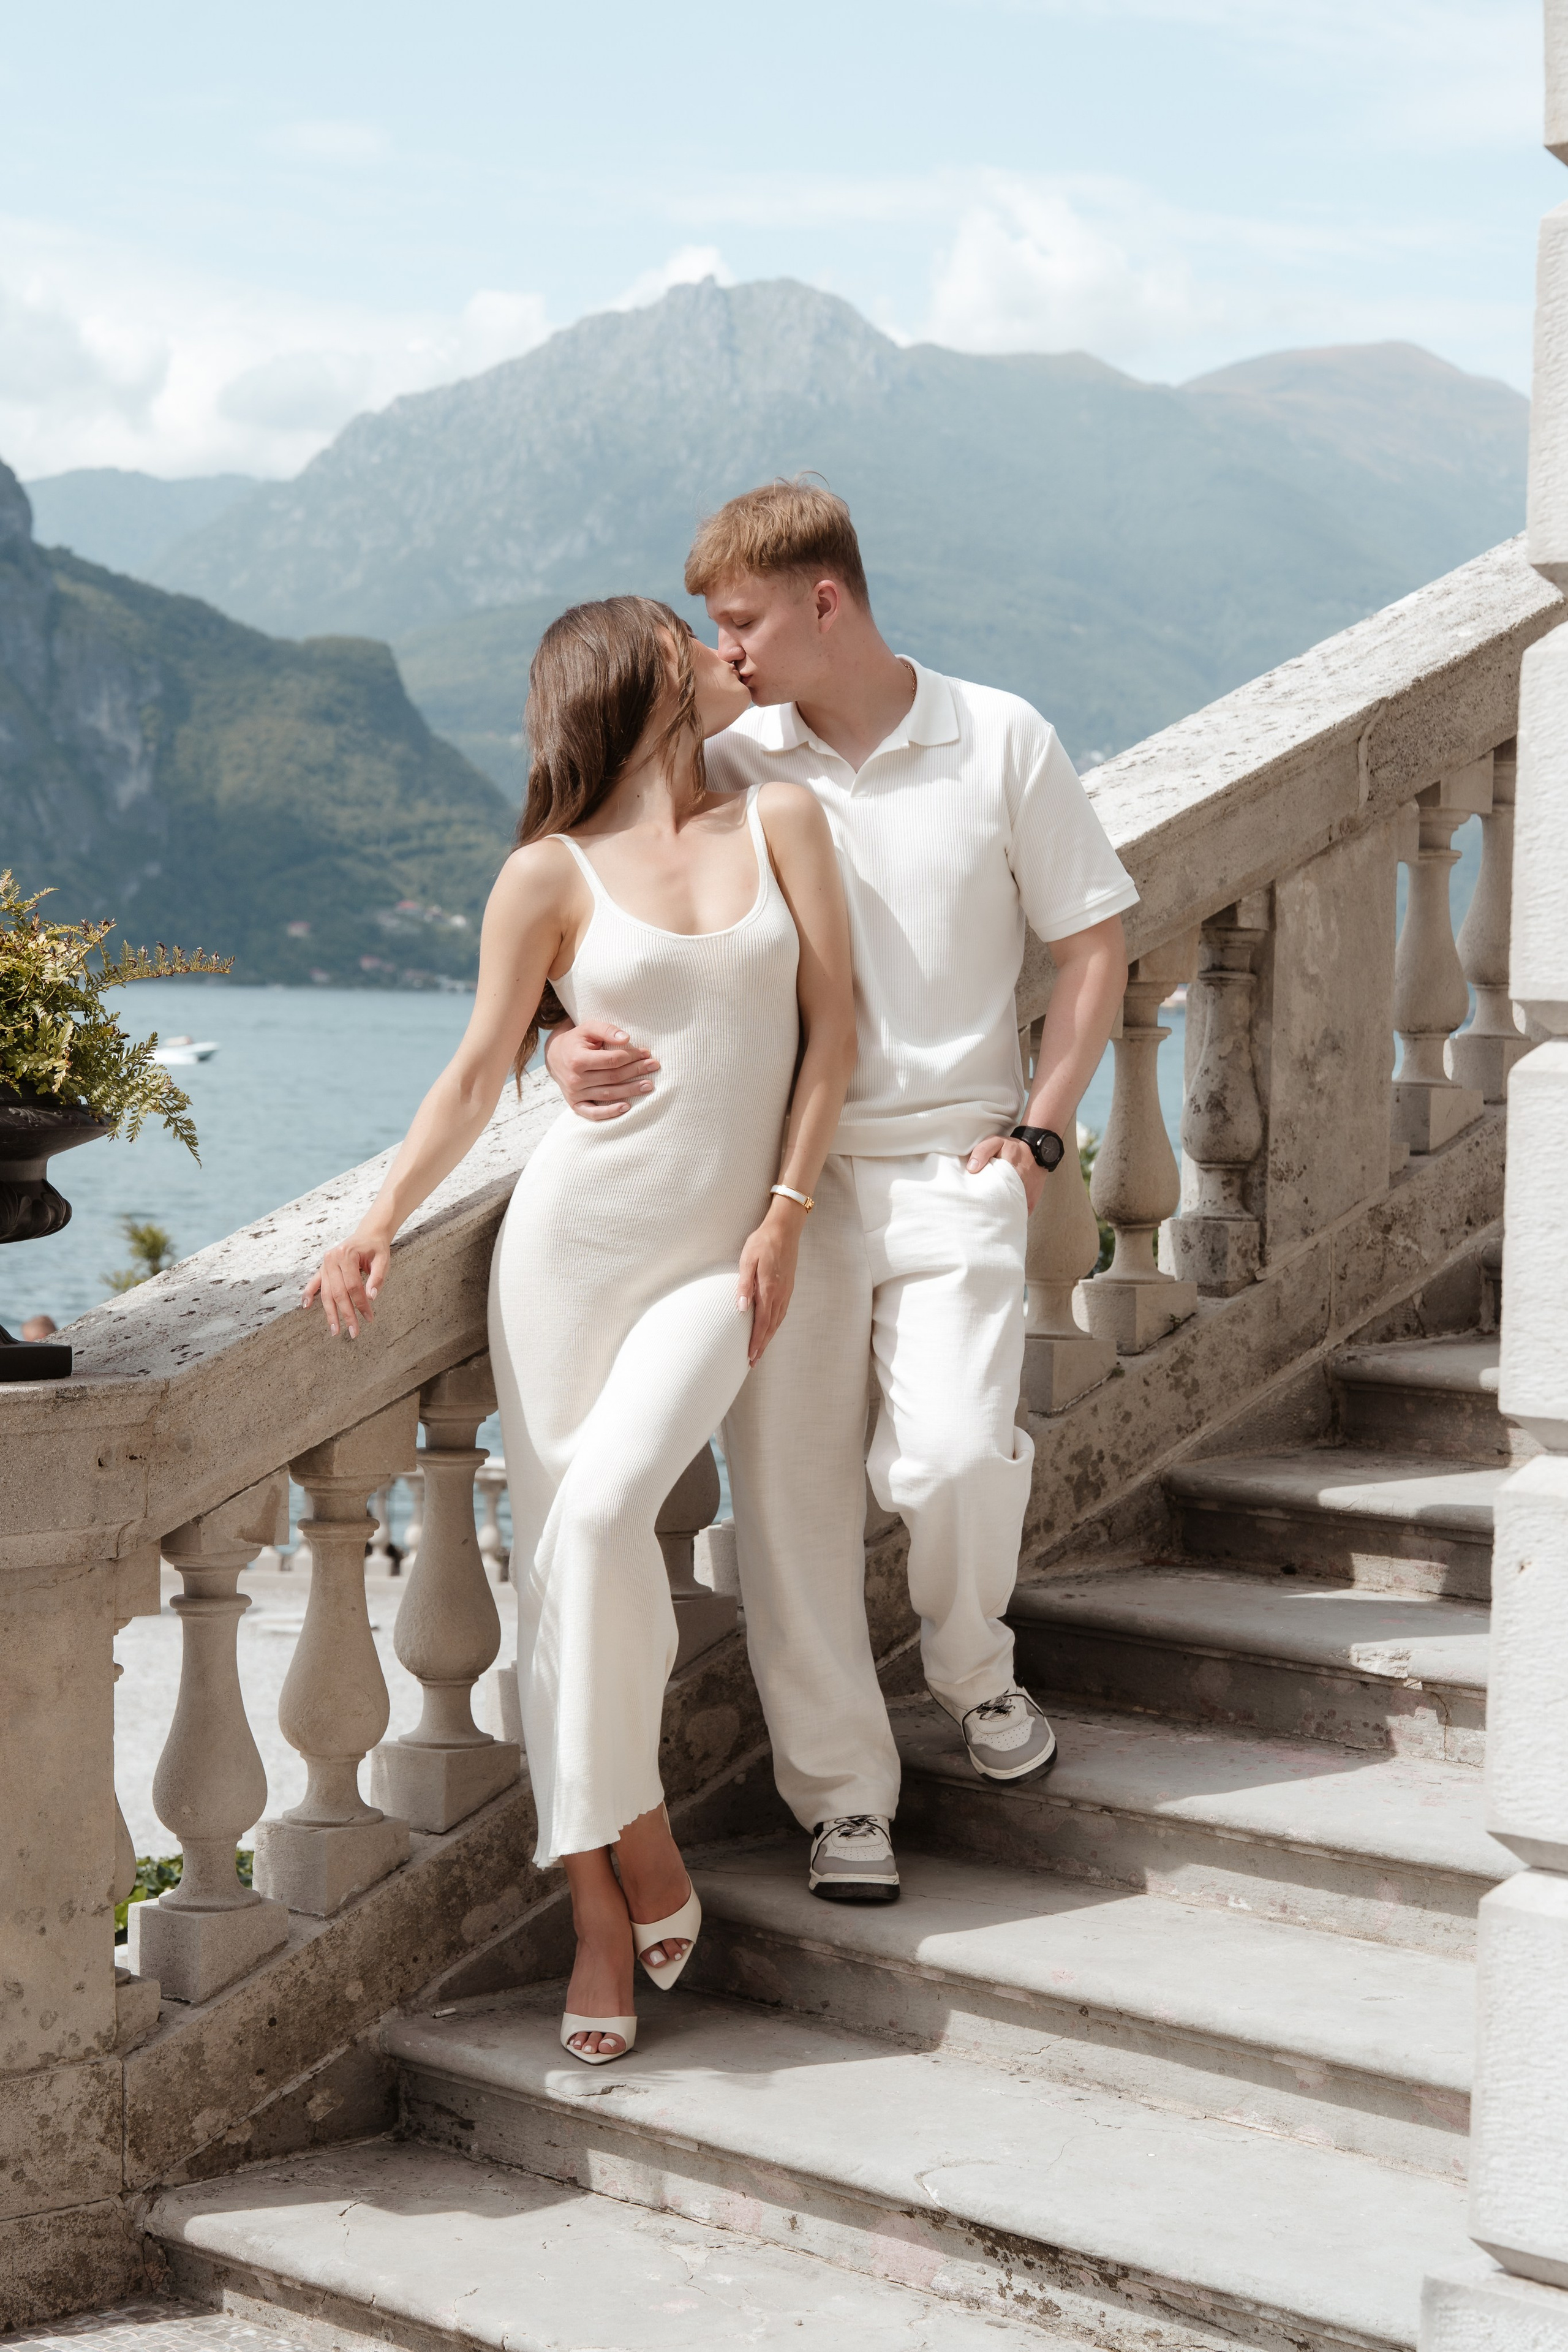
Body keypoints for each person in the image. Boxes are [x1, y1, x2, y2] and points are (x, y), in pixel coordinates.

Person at [546, 483, 1136, 1905]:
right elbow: (584, 880)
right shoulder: (730, 760)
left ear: (825, 600)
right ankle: (841, 1801)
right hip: (777, 1188)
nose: (722, 650)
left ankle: (969, 1665)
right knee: (791, 1513)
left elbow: (1095, 942)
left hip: (951, 1170)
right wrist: (561, 1035)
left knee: (941, 1458)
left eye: (739, 620)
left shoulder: (999, 737)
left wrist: (1041, 1132)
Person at [304, 595, 855, 2061]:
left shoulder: (783, 820)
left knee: (607, 1519)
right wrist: (371, 1221)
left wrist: (786, 1209)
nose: (726, 653)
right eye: (698, 637)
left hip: (716, 1263)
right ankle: (606, 1907)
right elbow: (477, 1076)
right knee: (559, 1576)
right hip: (566, 1255)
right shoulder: (543, 877)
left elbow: (834, 1032)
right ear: (649, 678)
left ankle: (636, 1841)